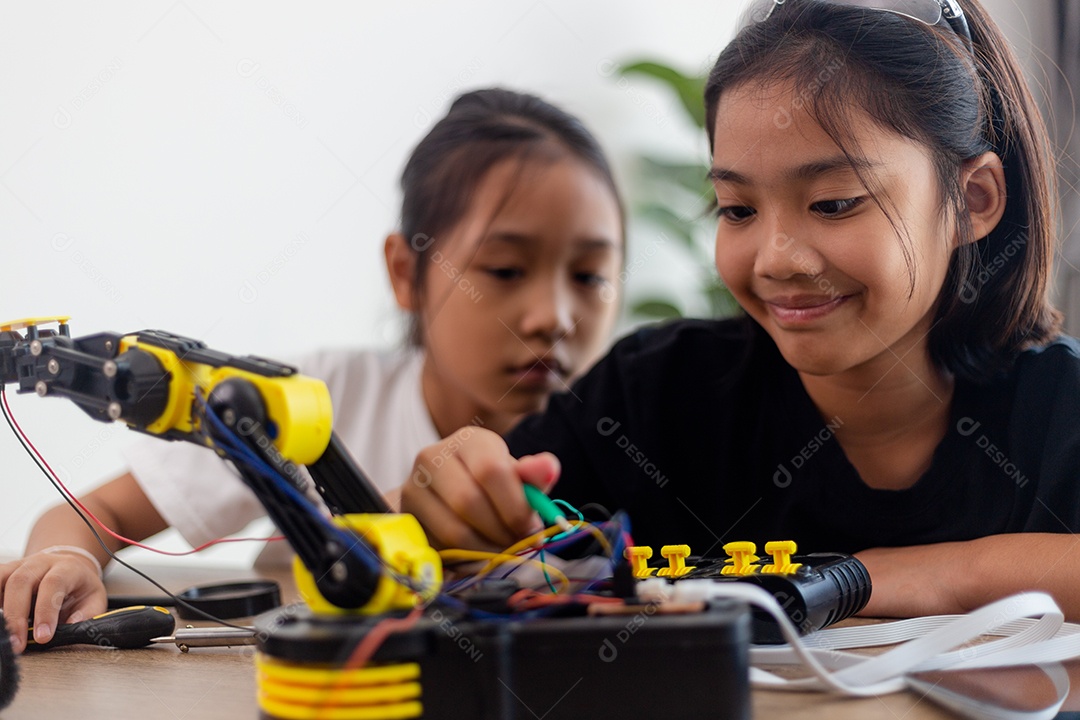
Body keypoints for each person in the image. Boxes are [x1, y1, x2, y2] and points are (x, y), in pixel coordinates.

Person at [401, 0, 1080, 621]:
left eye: (834, 203)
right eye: (738, 210)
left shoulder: (1057, 412)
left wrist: (884, 578)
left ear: (974, 200)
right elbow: (462, 541)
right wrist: (457, 493)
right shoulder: (656, 396)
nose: (776, 258)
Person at [0, 88, 625, 653]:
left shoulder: (631, 436)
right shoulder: (307, 398)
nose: (554, 317)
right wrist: (64, 557)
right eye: (506, 270)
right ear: (406, 273)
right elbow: (97, 512)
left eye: (590, 276)